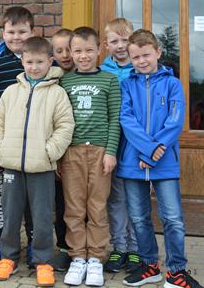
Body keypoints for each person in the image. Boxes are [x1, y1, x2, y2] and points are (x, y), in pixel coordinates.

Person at [120, 29, 204, 288]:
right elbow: (126, 119)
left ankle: (176, 271)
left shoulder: (172, 84)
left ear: (157, 52)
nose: (141, 61)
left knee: (173, 218)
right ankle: (150, 266)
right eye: (136, 57)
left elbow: (175, 121)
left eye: (146, 55)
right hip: (134, 162)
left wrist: (155, 151)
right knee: (138, 218)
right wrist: (147, 150)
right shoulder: (127, 85)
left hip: (164, 161)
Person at [0, 37, 74, 287]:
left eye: (39, 62)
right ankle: (8, 258)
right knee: (10, 215)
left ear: (50, 62)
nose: (34, 67)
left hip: (42, 167)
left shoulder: (57, 93)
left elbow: (65, 126)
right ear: (22, 62)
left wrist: (50, 152)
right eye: (29, 62)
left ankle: (42, 261)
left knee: (42, 216)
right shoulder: (11, 92)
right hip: (11, 165)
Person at [59, 27, 121, 287]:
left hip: (99, 152)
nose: (83, 56)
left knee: (97, 206)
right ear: (71, 53)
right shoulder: (65, 82)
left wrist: (110, 152)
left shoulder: (109, 80)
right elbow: (58, 119)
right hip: (71, 152)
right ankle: (77, 257)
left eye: (88, 50)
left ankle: (95, 258)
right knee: (74, 208)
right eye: (78, 51)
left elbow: (115, 119)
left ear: (99, 50)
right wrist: (59, 155)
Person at [0, 6, 37, 267]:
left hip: (33, 143)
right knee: (2, 197)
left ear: (32, 32)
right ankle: (3, 244)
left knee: (33, 199)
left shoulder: (40, 59)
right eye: (11, 32)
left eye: (22, 32)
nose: (16, 37)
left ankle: (35, 243)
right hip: (3, 144)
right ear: (2, 33)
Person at [99, 18, 140, 274]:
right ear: (106, 45)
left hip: (136, 145)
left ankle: (136, 248)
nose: (121, 45)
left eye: (125, 40)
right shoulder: (103, 72)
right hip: (113, 143)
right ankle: (119, 247)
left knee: (136, 199)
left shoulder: (141, 68)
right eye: (115, 41)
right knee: (116, 199)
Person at [49, 27, 74, 272]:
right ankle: (64, 248)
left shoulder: (86, 75)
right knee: (61, 204)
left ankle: (84, 248)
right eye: (59, 50)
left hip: (83, 150)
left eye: (69, 49)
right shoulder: (51, 79)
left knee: (82, 204)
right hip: (58, 151)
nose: (65, 55)